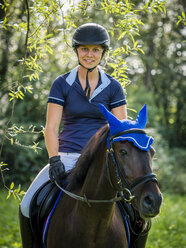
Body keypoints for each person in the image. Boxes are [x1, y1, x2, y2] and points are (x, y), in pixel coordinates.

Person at [19, 23, 147, 248]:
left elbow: (121, 131)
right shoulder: (61, 84)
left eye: (96, 49)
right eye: (84, 49)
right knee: (27, 205)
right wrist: (54, 159)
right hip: (66, 156)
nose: (90, 54)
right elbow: (50, 128)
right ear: (77, 51)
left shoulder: (113, 87)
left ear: (102, 53)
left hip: (102, 161)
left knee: (137, 212)